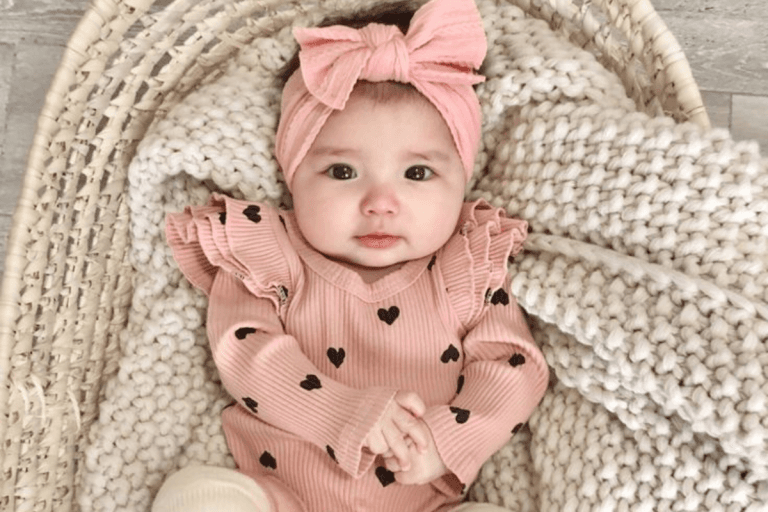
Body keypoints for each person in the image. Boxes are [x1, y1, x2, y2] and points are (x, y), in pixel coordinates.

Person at [155, 0, 549, 510]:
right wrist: (343, 413)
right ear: (293, 178)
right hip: (282, 496)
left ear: (462, 182)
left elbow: (513, 367)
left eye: (417, 173)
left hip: (420, 502)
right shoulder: (268, 251)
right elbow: (245, 353)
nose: (380, 203)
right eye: (342, 172)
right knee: (196, 494)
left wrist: (447, 441)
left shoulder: (466, 267)